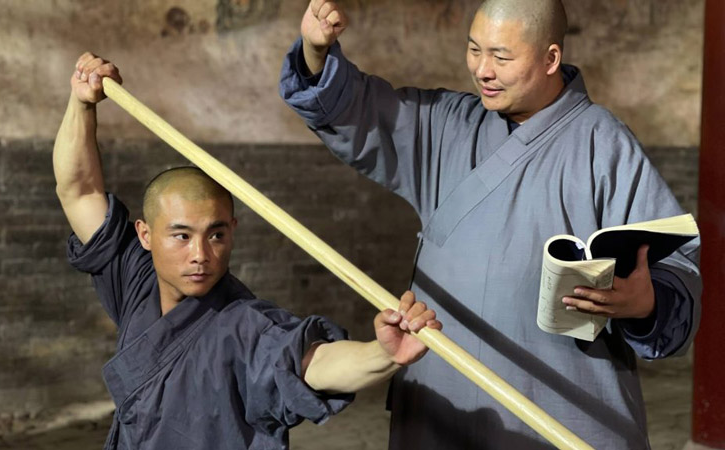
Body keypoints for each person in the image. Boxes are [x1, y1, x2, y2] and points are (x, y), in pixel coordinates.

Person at [279, 0, 702, 448]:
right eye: (474, 50)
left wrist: (646, 303)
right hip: (444, 402)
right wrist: (315, 50)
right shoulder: (446, 125)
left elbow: (676, 268)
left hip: (558, 403)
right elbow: (357, 107)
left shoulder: (603, 143)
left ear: (550, 58)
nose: (482, 69)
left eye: (501, 56)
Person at [53, 52, 442, 450]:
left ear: (233, 231)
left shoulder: (246, 326)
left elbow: (314, 364)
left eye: (216, 235)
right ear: (145, 234)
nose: (201, 254)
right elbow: (79, 191)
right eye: (182, 236)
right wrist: (81, 104)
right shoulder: (136, 282)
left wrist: (382, 354)